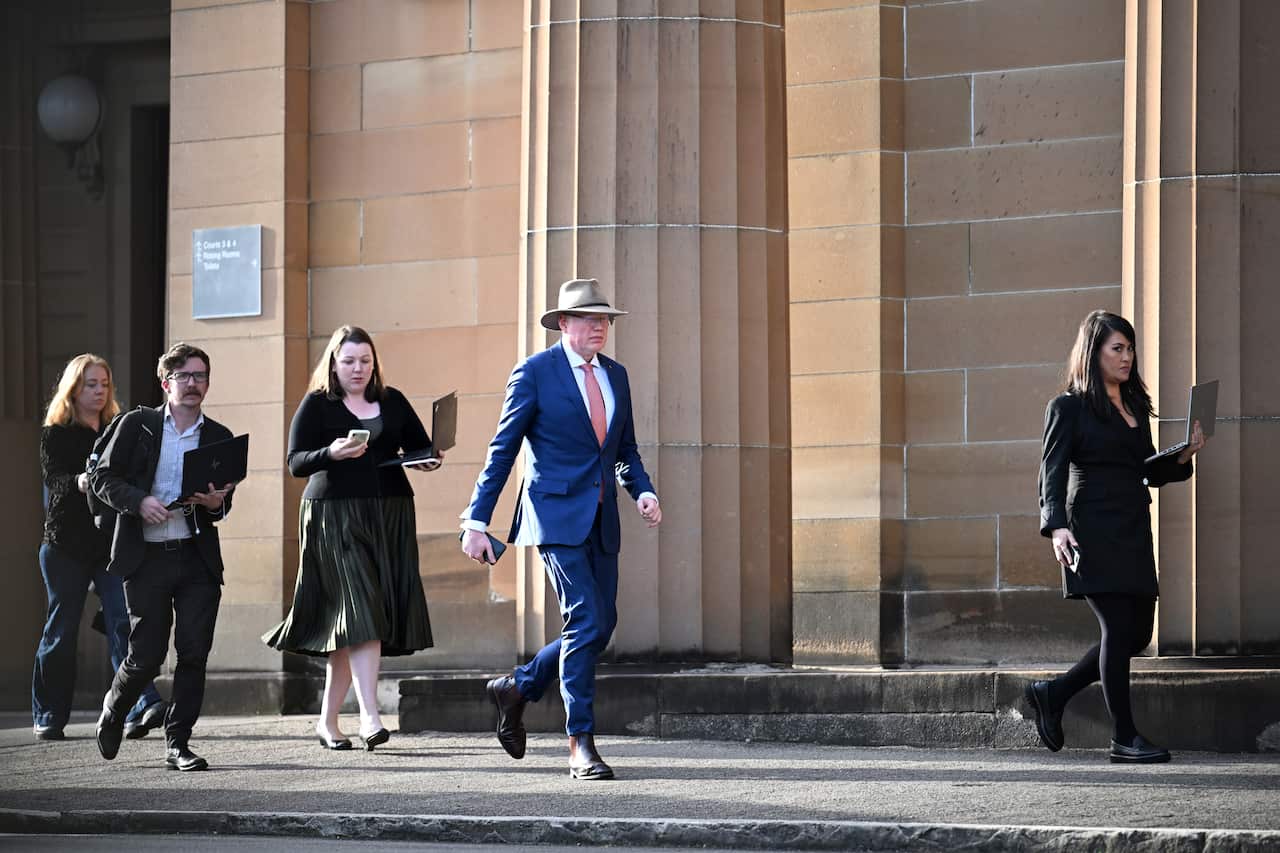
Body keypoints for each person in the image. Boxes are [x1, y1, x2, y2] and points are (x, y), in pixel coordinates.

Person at [461, 278, 661, 781]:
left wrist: (642, 490)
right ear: (564, 323)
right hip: (553, 516)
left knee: (599, 625)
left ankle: (517, 687)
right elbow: (502, 450)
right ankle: (580, 743)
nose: (601, 326)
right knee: (586, 620)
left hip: (602, 518)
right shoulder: (535, 373)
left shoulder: (616, 375)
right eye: (590, 318)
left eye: (606, 319)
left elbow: (624, 451)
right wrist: (476, 519)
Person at [1030, 310, 1206, 764]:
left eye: (1130, 349)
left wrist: (1184, 456)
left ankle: (1054, 693)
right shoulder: (1067, 407)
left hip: (1131, 524)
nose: (1127, 357)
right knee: (1115, 627)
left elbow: (1147, 471)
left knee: (1136, 634)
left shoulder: (1133, 406)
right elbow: (1050, 472)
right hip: (1089, 526)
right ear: (1095, 352)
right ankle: (1124, 737)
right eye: (1117, 348)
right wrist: (1056, 526)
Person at [263, 325, 435, 752]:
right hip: (333, 515)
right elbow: (295, 462)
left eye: (365, 361)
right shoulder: (318, 404)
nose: (358, 369)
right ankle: (370, 717)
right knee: (361, 610)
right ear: (333, 363)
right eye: (349, 361)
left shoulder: (391, 400)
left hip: (389, 513)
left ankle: (327, 722)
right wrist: (331, 453)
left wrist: (426, 459)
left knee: (352, 621)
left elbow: (417, 445)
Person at [91, 343, 238, 771]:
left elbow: (225, 504)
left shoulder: (219, 437)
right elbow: (102, 478)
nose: (193, 384)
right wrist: (138, 502)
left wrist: (215, 505)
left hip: (197, 560)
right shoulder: (138, 424)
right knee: (147, 656)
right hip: (147, 558)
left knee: (193, 653)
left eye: (200, 376)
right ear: (166, 382)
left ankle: (178, 743)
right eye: (185, 376)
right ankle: (115, 707)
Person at [32, 354, 165, 741]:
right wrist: (79, 481)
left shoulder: (117, 429)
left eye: (104, 384)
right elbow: (54, 481)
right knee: (61, 629)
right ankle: (49, 715)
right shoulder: (55, 433)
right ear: (73, 389)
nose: (99, 391)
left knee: (123, 621)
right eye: (91, 384)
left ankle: (139, 706)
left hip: (109, 544)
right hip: (65, 544)